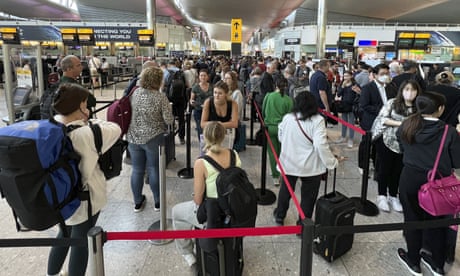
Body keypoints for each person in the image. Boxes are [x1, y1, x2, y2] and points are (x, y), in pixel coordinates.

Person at [47, 83, 121, 276]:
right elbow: (115, 128)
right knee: (81, 243)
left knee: (63, 234)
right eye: (85, 104)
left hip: (58, 195)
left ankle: (52, 273)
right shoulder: (86, 133)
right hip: (84, 198)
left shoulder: (52, 125)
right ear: (79, 106)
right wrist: (91, 121)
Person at [396, 91, 460, 276]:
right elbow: (457, 162)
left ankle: (413, 260)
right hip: (439, 182)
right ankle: (437, 264)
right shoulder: (449, 132)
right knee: (437, 221)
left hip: (410, 178)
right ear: (440, 109)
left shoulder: (407, 125)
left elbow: (402, 149)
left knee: (412, 219)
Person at [172, 122, 242, 267]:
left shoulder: (201, 162)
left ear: (205, 138)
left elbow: (198, 200)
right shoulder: (234, 155)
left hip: (213, 213)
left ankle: (187, 253)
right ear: (223, 137)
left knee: (176, 212)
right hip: (233, 209)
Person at [273, 92, 339, 226]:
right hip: (310, 166)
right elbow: (320, 144)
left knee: (285, 191)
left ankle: (280, 216)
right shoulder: (318, 120)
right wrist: (331, 162)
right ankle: (303, 224)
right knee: (308, 197)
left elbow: (281, 136)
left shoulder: (288, 118)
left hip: (289, 162)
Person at [126, 66, 174, 212]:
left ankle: (137, 202)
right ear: (158, 80)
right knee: (154, 169)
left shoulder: (134, 93)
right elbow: (168, 119)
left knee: (137, 170)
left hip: (133, 137)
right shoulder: (160, 97)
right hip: (153, 138)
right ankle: (158, 202)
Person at [371, 79, 421, 213]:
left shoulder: (418, 106)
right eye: (407, 89)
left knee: (398, 171)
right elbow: (383, 118)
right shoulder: (393, 102)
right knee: (384, 169)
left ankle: (393, 196)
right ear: (402, 90)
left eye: (413, 90)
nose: (410, 93)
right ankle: (382, 195)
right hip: (387, 140)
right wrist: (403, 123)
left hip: (406, 145)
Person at [358, 63, 397, 174]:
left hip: (387, 122)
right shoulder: (367, 88)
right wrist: (382, 111)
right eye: (382, 74)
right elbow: (364, 105)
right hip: (371, 120)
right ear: (374, 75)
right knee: (366, 144)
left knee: (380, 145)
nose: (385, 76)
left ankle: (377, 166)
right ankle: (362, 165)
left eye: (387, 73)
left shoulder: (391, 87)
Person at [262, 76, 293, 186]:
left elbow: (263, 111)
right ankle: (281, 170)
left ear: (275, 85)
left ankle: (275, 175)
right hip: (283, 128)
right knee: (282, 151)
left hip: (269, 127)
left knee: (272, 152)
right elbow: (290, 117)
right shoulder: (289, 100)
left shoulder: (269, 96)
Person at [201, 80, 239, 149]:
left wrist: (216, 124)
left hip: (226, 135)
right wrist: (222, 124)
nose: (217, 96)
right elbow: (202, 123)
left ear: (226, 94)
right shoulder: (208, 102)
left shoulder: (233, 104)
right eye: (215, 93)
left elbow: (235, 123)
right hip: (211, 135)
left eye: (220, 93)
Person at [335, 71, 360, 148]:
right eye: (344, 76)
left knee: (351, 123)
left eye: (347, 76)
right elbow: (338, 94)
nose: (345, 78)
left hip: (352, 106)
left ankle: (351, 139)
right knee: (344, 122)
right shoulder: (342, 84)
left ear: (351, 76)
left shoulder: (355, 84)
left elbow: (360, 94)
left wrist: (358, 91)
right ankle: (343, 137)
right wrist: (342, 87)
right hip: (344, 105)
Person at [190, 69, 213, 140]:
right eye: (201, 75)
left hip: (210, 111)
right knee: (201, 131)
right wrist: (194, 103)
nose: (203, 77)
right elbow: (191, 100)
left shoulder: (212, 87)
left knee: (209, 130)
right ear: (199, 77)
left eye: (204, 75)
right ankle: (203, 147)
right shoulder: (195, 87)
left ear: (207, 77)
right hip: (199, 111)